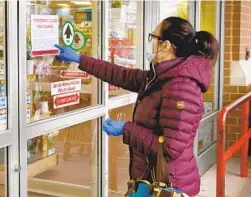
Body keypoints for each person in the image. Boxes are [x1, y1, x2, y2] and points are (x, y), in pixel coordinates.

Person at [55, 16, 219, 197]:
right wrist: (79, 59)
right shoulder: (161, 76)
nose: (151, 43)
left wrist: (126, 129)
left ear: (166, 45)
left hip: (169, 185)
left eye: (153, 37)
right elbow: (120, 74)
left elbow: (171, 150)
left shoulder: (181, 87)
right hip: (150, 177)